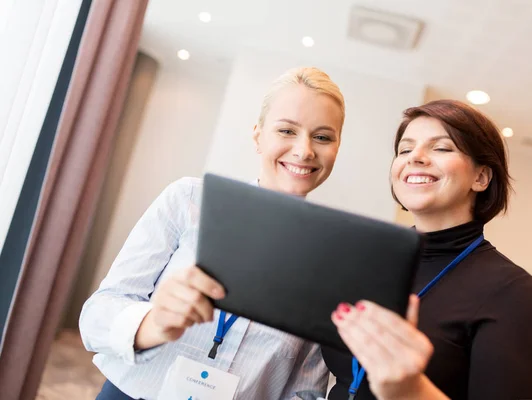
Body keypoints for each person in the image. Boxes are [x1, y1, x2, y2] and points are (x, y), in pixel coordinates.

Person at [80, 66, 346, 400]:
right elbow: (96, 317)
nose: (305, 150)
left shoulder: (333, 260)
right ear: (258, 136)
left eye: (322, 136)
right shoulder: (189, 200)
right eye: (287, 130)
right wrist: (153, 323)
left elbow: (305, 388)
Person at [323, 100, 532, 400]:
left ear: (481, 177)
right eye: (405, 150)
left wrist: (410, 390)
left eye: (441, 148)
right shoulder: (368, 261)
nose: (415, 157)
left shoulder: (513, 292)